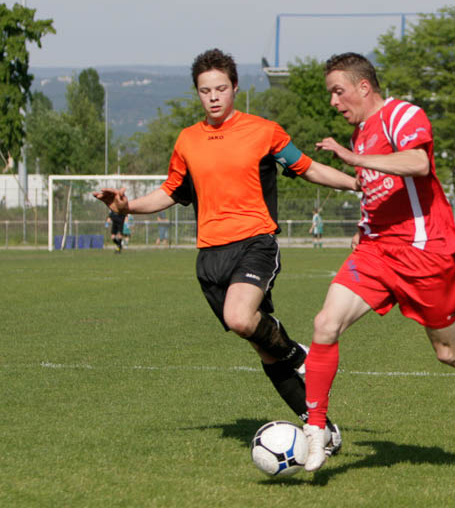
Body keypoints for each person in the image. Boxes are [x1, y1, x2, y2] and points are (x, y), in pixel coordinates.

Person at [93, 48, 358, 455]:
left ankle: (295, 351)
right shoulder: (187, 140)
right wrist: (126, 206)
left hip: (255, 242)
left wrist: (359, 183)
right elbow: (169, 193)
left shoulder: (264, 131)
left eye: (221, 88)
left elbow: (308, 167)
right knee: (260, 347)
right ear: (197, 94)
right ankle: (319, 427)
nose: (213, 97)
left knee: (240, 318)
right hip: (209, 256)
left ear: (235, 87)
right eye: (205, 91)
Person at [303, 52, 455, 472]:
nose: (333, 101)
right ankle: (315, 431)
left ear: (364, 87)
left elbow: (418, 162)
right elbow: (375, 192)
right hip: (377, 252)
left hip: (425, 253)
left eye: (337, 91)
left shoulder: (401, 115)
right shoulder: (361, 133)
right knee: (325, 324)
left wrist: (354, 159)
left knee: (447, 350)